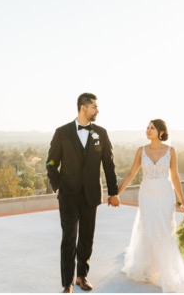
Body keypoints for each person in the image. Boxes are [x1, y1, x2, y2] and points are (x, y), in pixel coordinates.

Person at [47, 93, 120, 293]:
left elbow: (109, 164)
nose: (97, 110)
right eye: (94, 107)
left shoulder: (101, 134)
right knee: (69, 237)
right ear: (83, 108)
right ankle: (67, 283)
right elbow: (51, 163)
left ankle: (82, 276)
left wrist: (113, 192)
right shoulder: (62, 133)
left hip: (91, 195)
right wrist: (58, 186)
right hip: (68, 195)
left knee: (87, 237)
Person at [115, 118, 184, 292]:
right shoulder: (140, 151)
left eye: (152, 128)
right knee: (149, 228)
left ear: (161, 132)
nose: (148, 130)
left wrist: (183, 200)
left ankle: (166, 271)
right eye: (147, 127)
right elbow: (131, 174)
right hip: (147, 194)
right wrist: (116, 194)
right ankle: (147, 268)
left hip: (165, 194)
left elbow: (175, 177)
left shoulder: (171, 151)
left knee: (164, 230)